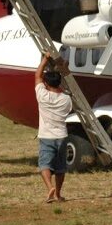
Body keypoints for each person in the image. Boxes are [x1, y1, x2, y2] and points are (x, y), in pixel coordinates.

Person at [34, 55, 73, 203]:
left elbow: (37, 76)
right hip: (61, 135)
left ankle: (49, 187)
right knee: (60, 167)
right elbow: (64, 92)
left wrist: (44, 60)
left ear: (46, 84)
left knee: (45, 165)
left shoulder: (42, 95)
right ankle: (58, 193)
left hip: (46, 136)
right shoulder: (66, 99)